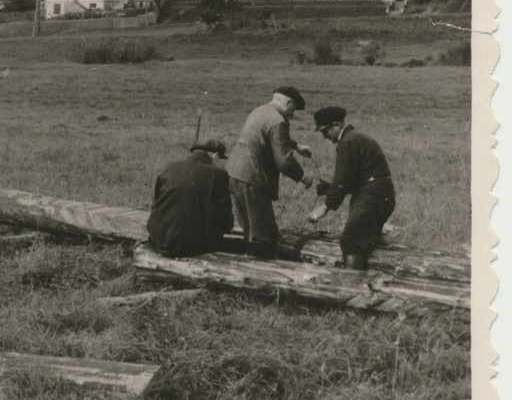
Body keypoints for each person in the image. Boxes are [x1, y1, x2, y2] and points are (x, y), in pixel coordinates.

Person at [225, 86, 315, 258]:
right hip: (253, 179)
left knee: (249, 228)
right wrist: (304, 177)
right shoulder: (278, 121)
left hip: (234, 174)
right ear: (288, 103)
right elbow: (284, 161)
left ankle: (246, 266)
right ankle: (259, 275)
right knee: (263, 234)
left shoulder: (260, 111)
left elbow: (269, 134)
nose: (292, 114)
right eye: (293, 109)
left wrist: (296, 145)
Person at [307, 106, 396, 270]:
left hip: (373, 195)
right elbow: (351, 180)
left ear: (336, 125)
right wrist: (330, 188)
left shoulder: (348, 141)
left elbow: (343, 179)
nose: (324, 136)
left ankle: (349, 287)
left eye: (325, 131)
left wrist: (325, 206)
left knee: (351, 239)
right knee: (363, 239)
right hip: (377, 192)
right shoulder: (354, 137)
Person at [146, 139, 235, 257]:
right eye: (219, 159)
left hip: (159, 240)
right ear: (214, 155)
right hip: (192, 246)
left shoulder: (170, 167)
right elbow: (224, 219)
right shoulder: (218, 174)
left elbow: (155, 204)